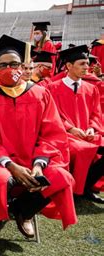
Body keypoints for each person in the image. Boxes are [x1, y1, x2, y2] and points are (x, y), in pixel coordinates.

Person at [0, 35, 77, 239]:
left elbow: (52, 134)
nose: (9, 69)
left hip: (34, 159)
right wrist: (10, 165)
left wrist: (38, 165)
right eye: (3, 65)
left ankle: (23, 212)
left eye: (14, 64)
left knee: (62, 177)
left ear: (23, 65)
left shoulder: (40, 94)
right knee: (0, 180)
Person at [48, 45, 104, 203]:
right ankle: (76, 192)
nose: (87, 67)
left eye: (87, 63)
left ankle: (86, 186)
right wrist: (71, 129)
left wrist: (92, 128)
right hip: (64, 134)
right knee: (83, 150)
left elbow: (96, 113)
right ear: (68, 66)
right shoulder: (53, 88)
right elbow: (52, 115)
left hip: (87, 134)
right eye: (82, 64)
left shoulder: (91, 88)